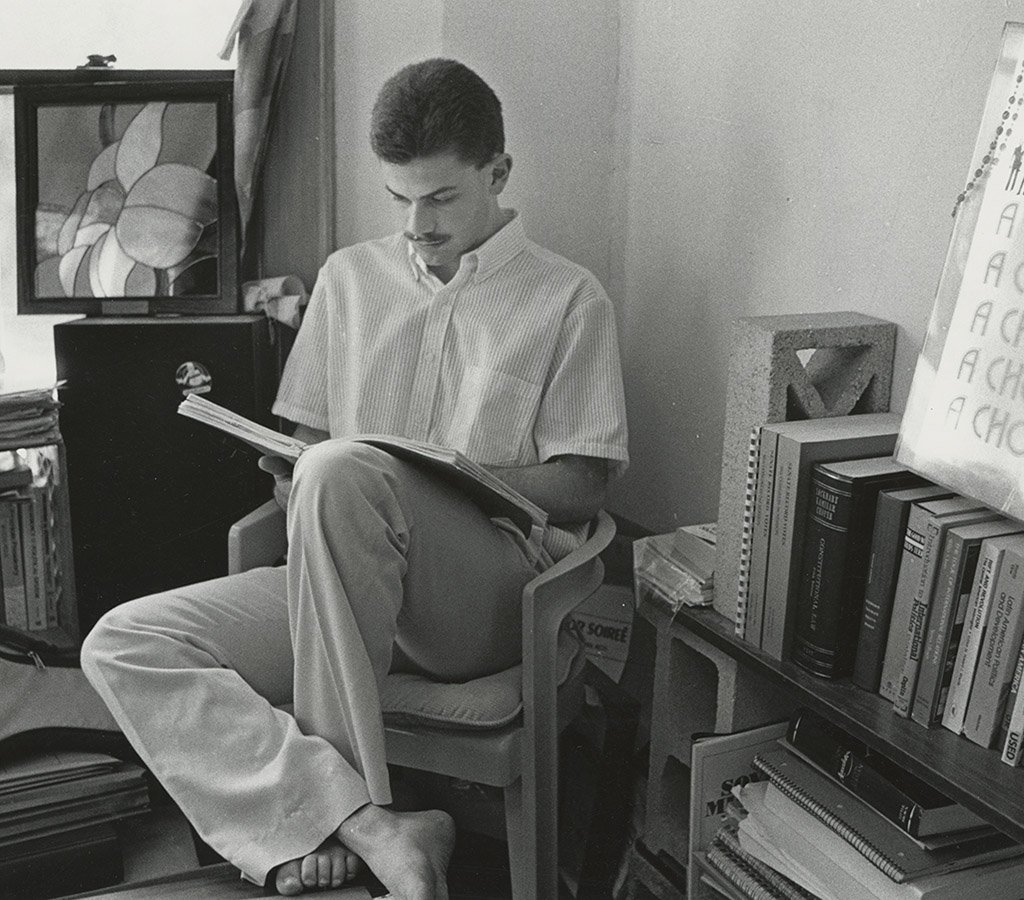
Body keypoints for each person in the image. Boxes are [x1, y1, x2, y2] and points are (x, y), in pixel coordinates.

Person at [80, 58, 629, 900]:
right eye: (399, 199)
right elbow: (309, 445)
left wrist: (443, 477)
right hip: (340, 570)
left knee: (345, 468)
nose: (418, 223)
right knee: (125, 641)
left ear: (498, 173)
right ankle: (372, 824)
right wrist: (288, 473)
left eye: (441, 198)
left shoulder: (567, 298)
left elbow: (583, 487)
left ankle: (332, 828)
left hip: (480, 595)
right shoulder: (349, 279)